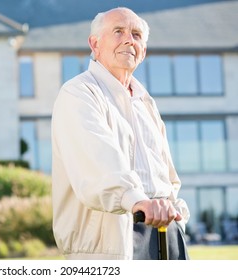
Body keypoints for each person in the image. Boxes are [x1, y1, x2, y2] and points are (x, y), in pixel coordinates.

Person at [51, 7, 190, 260]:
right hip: (115, 244)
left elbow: (166, 175)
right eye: (118, 32)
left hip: (166, 234)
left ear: (143, 52)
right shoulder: (78, 93)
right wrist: (136, 200)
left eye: (136, 35)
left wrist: (176, 217)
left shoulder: (146, 102)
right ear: (95, 44)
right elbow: (99, 161)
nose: (129, 39)